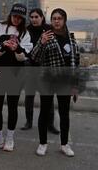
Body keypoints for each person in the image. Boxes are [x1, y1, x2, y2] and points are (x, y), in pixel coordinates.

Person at [0, 3, 33, 152]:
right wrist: (3, 47)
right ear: (10, 15)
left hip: (16, 73)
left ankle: (10, 138)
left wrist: (16, 48)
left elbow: (24, 56)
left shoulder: (25, 33)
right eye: (14, 16)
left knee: (12, 106)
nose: (16, 19)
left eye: (19, 17)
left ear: (23, 18)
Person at [31, 8, 80, 157]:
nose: (56, 21)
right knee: (44, 112)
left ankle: (64, 145)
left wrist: (75, 85)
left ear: (64, 20)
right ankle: (42, 143)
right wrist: (41, 42)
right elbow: (34, 57)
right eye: (54, 18)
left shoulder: (71, 38)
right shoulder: (46, 36)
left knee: (64, 114)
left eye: (59, 18)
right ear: (51, 21)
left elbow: (75, 62)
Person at [21, 8, 59, 134]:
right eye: (31, 17)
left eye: (36, 17)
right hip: (30, 69)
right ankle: (28, 122)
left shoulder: (49, 30)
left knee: (48, 98)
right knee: (29, 97)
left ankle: (50, 124)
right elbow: (25, 51)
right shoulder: (26, 31)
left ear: (42, 17)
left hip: (45, 70)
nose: (34, 19)